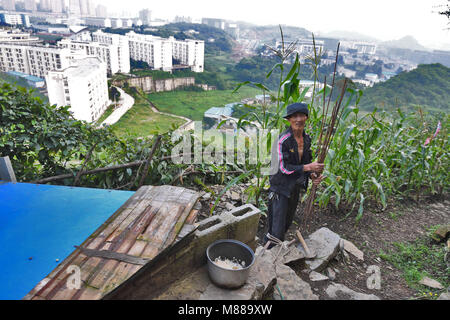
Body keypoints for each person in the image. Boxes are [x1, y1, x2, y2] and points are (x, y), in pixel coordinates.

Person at [265, 102, 324, 247]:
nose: (298, 119)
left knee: (287, 222)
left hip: (294, 187)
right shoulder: (282, 140)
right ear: (289, 120)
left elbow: (306, 161)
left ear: (306, 118)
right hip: (280, 188)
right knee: (276, 228)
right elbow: (283, 168)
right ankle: (267, 255)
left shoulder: (307, 139)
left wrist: (312, 175)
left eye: (301, 115)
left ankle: (275, 252)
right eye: (294, 116)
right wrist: (308, 167)